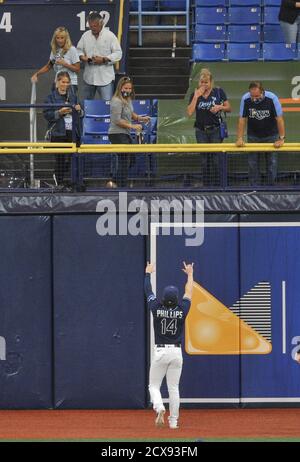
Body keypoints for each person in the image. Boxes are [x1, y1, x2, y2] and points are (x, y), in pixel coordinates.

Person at [144, 261, 194, 430]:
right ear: (176, 298)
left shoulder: (156, 307)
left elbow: (148, 291)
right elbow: (189, 291)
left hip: (160, 352)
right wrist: (190, 274)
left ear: (164, 298)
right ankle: (173, 422)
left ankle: (159, 407)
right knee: (174, 388)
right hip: (176, 353)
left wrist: (147, 273)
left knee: (153, 385)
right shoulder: (182, 309)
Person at [187, 68, 231, 186]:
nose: (204, 85)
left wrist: (219, 107)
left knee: (217, 159)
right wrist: (196, 97)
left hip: (215, 130)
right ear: (199, 83)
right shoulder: (195, 94)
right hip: (201, 131)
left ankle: (218, 185)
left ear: (211, 82)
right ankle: (206, 185)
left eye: (206, 82)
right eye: (202, 82)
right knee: (204, 159)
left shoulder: (218, 92)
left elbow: (229, 108)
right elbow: (190, 112)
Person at [236, 81, 285, 186]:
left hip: (271, 135)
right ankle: (255, 187)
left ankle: (270, 186)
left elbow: (279, 119)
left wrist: (281, 138)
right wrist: (239, 138)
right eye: (252, 96)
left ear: (263, 91)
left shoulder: (272, 98)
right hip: (253, 136)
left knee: (272, 163)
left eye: (257, 96)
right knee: (252, 163)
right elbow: (242, 119)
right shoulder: (246, 99)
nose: (254, 99)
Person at [43, 71, 83, 188]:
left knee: (74, 156)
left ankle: (74, 182)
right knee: (60, 158)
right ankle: (59, 182)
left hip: (73, 132)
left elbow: (82, 114)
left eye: (67, 82)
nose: (65, 84)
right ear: (57, 82)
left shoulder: (73, 97)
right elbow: (47, 114)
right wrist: (59, 112)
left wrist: (79, 110)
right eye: (63, 82)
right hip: (58, 132)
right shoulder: (50, 98)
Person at [108, 76, 150, 187]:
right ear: (120, 88)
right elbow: (117, 120)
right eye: (125, 88)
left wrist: (141, 118)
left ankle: (114, 181)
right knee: (124, 159)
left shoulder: (128, 100)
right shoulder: (116, 101)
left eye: (129, 89)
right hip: (116, 134)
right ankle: (121, 185)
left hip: (125, 134)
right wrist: (132, 126)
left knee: (131, 159)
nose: (128, 91)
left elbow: (131, 114)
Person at [77, 11, 122, 101]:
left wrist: (104, 59)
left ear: (101, 23)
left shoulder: (110, 36)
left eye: (95, 26)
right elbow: (78, 51)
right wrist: (83, 57)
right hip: (89, 77)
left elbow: (118, 53)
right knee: (84, 105)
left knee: (106, 106)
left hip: (105, 79)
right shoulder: (85, 36)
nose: (93, 28)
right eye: (91, 26)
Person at [31, 27, 80, 94]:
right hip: (57, 83)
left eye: (62, 38)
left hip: (70, 84)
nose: (60, 40)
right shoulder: (55, 50)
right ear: (55, 38)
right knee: (56, 104)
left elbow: (77, 69)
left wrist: (65, 64)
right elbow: (48, 66)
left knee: (68, 104)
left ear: (66, 38)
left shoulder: (72, 49)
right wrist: (37, 74)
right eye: (57, 38)